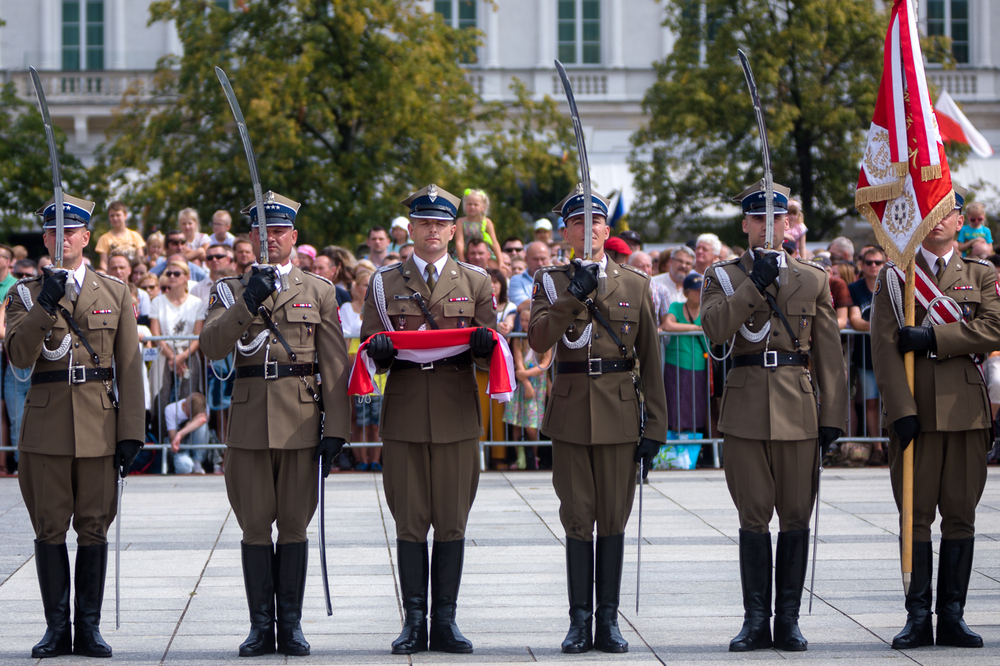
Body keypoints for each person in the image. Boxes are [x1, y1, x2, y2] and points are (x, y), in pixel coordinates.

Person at [200, 190, 349, 658]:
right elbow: (213, 345)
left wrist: (337, 428)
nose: (271, 239)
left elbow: (333, 363)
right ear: (251, 236)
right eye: (263, 232)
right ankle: (260, 626)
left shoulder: (319, 290)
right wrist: (249, 300)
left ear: (294, 236)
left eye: (280, 231)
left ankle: (293, 624)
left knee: (294, 526)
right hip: (248, 422)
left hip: (301, 420)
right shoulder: (228, 289)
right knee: (252, 526)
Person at [701, 182, 848, 653]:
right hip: (744, 407)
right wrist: (753, 284)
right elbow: (716, 332)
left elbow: (829, 353)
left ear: (789, 223)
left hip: (798, 407)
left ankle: (787, 620)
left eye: (776, 218)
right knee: (752, 516)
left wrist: (834, 418)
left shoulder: (812, 277)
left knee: (797, 516)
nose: (768, 226)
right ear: (745, 224)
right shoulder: (721, 276)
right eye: (758, 218)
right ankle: (754, 620)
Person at [528, 185, 667, 655]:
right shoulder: (550, 281)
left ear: (607, 230)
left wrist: (657, 425)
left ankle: (608, 621)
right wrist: (574, 294)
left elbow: (650, 356)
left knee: (612, 518)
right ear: (566, 232)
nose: (586, 231)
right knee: (576, 518)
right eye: (576, 224)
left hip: (620, 411)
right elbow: (541, 339)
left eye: (595, 223)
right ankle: (578, 622)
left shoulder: (635, 283)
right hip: (569, 411)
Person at [5, 193, 144, 658]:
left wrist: (131, 431)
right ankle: (54, 629)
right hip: (46, 429)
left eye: (70, 231)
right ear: (44, 238)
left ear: (87, 237)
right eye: (52, 232)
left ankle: (88, 627)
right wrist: (45, 302)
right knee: (49, 528)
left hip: (99, 425)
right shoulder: (23, 294)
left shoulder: (115, 291)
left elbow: (129, 366)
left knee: (94, 528)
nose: (60, 238)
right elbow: (19, 357)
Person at [361, 184, 495, 655]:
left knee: (453, 521)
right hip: (405, 414)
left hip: (457, 413)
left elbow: (490, 354)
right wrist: (377, 352)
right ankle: (414, 620)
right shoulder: (383, 283)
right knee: (410, 521)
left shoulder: (477, 281)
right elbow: (369, 351)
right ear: (411, 229)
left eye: (440, 223)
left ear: (453, 229)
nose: (432, 229)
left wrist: (483, 349)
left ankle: (446, 621)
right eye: (423, 222)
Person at [871, 185, 1000, 650]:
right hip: (916, 414)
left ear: (961, 222)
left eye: (949, 212)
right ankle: (917, 616)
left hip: (966, 413)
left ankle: (953, 616)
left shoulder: (981, 274)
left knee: (961, 517)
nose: (940, 219)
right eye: (931, 211)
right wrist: (900, 411)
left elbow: (995, 327)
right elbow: (883, 352)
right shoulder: (895, 278)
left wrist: (932, 339)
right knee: (916, 516)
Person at [149, 260, 205, 435]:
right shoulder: (157, 302)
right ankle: (162, 440)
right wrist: (173, 357)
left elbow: (198, 337)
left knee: (189, 398)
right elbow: (157, 335)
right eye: (168, 273)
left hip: (189, 353)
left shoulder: (197, 303)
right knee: (161, 396)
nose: (171, 277)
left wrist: (181, 357)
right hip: (164, 354)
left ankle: (185, 440)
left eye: (176, 273)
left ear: (187, 277)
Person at [340, 262, 382, 471]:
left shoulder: (380, 308)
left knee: (376, 421)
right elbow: (347, 340)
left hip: (379, 375)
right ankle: (361, 460)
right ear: (356, 287)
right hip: (358, 371)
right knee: (359, 419)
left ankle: (375, 460)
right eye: (364, 284)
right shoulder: (348, 308)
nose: (367, 289)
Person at [847, 246, 886, 463]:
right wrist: (882, 327)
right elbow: (855, 320)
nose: (873, 266)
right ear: (862, 265)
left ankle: (894, 445)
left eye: (877, 262)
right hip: (866, 355)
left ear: (884, 263)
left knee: (891, 402)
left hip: (891, 355)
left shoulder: (892, 286)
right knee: (871, 402)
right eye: (869, 262)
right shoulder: (855, 288)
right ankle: (878, 447)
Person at [504, 307, 551, 470]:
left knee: (532, 425)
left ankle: (534, 457)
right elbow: (518, 362)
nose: (524, 324)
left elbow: (545, 364)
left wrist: (526, 375)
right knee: (516, 422)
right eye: (522, 320)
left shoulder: (544, 339)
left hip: (537, 384)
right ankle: (520, 458)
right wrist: (525, 382)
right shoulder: (518, 339)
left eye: (528, 320)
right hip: (522, 385)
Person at [661, 274, 709, 432]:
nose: (699, 293)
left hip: (700, 366)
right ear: (687, 292)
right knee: (676, 408)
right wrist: (697, 328)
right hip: (677, 364)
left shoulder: (707, 310)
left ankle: (696, 450)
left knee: (698, 408)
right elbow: (668, 325)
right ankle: (676, 450)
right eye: (696, 290)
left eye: (702, 290)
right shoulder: (676, 306)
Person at [165, 391, 209, 474]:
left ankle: (197, 462)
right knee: (185, 466)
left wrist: (180, 433)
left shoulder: (203, 406)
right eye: (189, 415)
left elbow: (203, 419)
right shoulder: (171, 409)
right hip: (180, 449)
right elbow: (173, 439)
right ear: (184, 405)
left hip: (197, 444)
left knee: (203, 426)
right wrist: (188, 427)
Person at [95, 200, 146, 271]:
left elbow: (140, 260)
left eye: (118, 215)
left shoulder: (136, 236)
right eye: (112, 216)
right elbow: (104, 263)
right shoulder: (104, 239)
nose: (115, 218)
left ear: (125, 215)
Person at [454, 188, 502, 263]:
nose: (472, 207)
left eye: (476, 204)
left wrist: (500, 261)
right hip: (465, 254)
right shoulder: (461, 222)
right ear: (465, 205)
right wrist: (462, 260)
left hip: (482, 254)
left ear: (483, 207)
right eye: (469, 204)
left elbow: (494, 242)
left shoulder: (487, 222)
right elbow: (459, 242)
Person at [509, 241, 551, 312]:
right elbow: (522, 305)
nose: (540, 263)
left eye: (543, 259)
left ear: (549, 258)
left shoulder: (558, 278)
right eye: (535, 259)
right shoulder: (517, 280)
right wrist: (554, 303)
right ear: (526, 259)